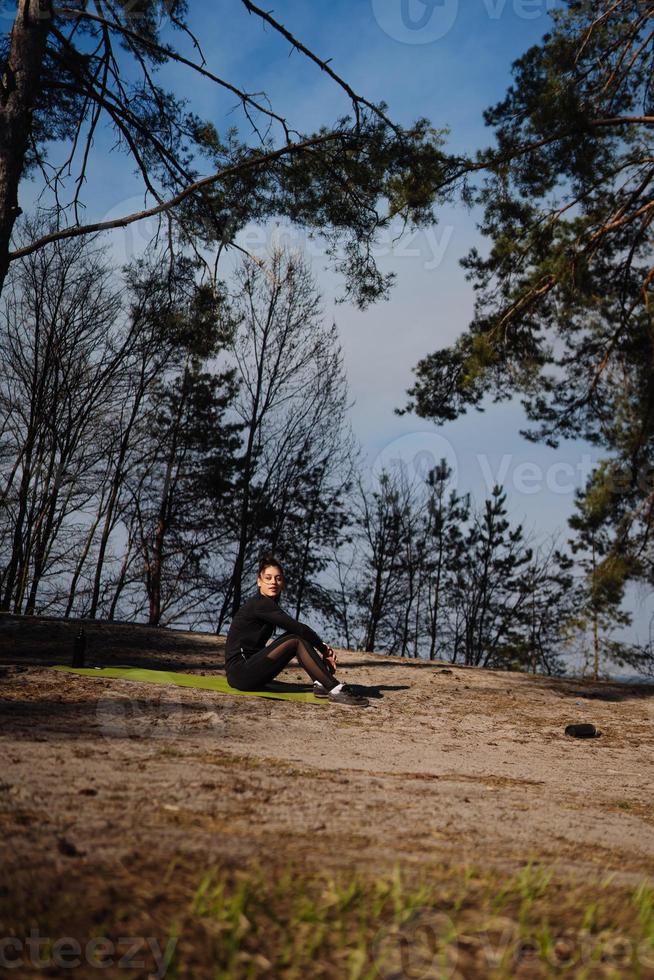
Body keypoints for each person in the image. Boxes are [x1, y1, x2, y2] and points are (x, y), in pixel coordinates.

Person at [225, 557, 369, 707]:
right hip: (241, 673)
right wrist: (324, 649)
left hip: (252, 672)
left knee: (297, 636)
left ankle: (321, 682)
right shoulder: (260, 604)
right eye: (268, 578)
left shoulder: (268, 604)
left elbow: (298, 630)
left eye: (278, 578)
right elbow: (298, 627)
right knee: (296, 639)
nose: (273, 582)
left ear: (283, 583)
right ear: (259, 581)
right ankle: (335, 689)